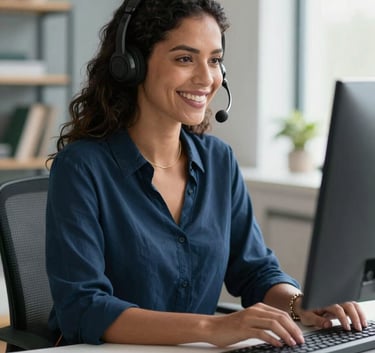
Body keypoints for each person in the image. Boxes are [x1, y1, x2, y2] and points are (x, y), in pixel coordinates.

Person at [45, 0, 367, 348]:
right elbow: (83, 307)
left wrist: (299, 303)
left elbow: (254, 270)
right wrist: (213, 328)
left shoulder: (218, 161)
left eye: (214, 60)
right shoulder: (82, 168)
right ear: (132, 65)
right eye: (185, 59)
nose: (207, 78)